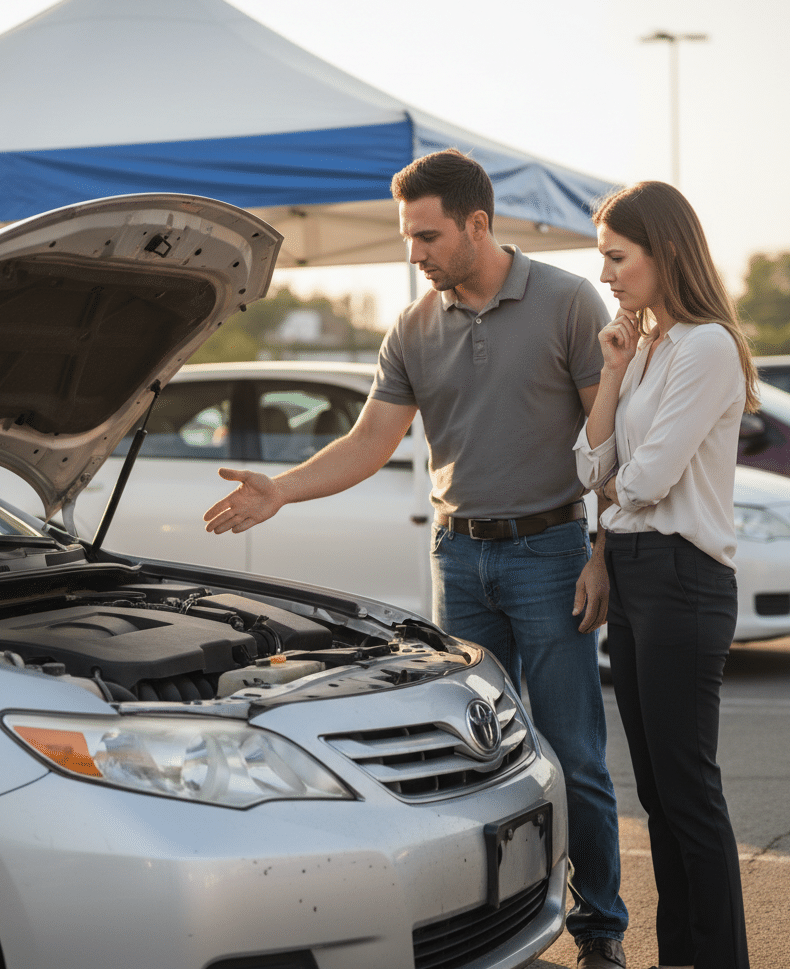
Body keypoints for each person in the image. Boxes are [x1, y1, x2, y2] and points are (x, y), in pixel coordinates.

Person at [204, 148, 629, 969]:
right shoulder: (412, 327)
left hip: (549, 551)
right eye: (408, 236)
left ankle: (600, 929)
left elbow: (603, 444)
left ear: (477, 224)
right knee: (467, 756)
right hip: (458, 559)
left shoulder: (568, 302)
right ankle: (491, 920)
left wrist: (600, 553)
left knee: (572, 753)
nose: (414, 253)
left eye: (428, 236)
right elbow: (370, 440)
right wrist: (282, 490)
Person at [576, 180, 756, 969]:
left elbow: (643, 481)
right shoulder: (646, 348)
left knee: (688, 791)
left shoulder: (708, 345)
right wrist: (612, 374)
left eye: (617, 257)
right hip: (642, 571)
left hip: (685, 576)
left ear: (666, 251)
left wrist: (620, 483)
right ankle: (678, 955)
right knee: (658, 794)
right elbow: (591, 465)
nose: (606, 274)